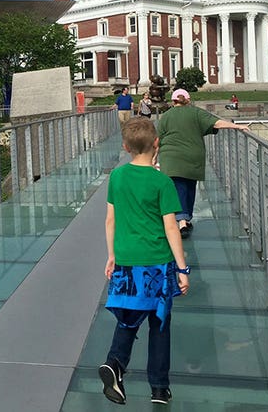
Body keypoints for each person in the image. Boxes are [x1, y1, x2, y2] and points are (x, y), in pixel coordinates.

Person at [99, 117, 190, 406]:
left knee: (127, 319)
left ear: (125, 147)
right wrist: (182, 268)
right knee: (159, 324)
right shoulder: (162, 182)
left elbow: (110, 220)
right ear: (157, 144)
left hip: (126, 261)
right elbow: (171, 227)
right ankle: (159, 388)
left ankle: (115, 364)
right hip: (157, 264)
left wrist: (112, 255)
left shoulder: (117, 177)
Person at [156, 89, 249, 238]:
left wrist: (154, 158)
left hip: (171, 157)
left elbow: (157, 139)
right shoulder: (196, 113)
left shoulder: (166, 116)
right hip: (193, 157)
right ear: (188, 99)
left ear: (173, 102)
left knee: (177, 187)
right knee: (189, 187)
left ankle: (181, 221)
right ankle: (185, 220)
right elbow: (216, 124)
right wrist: (237, 126)